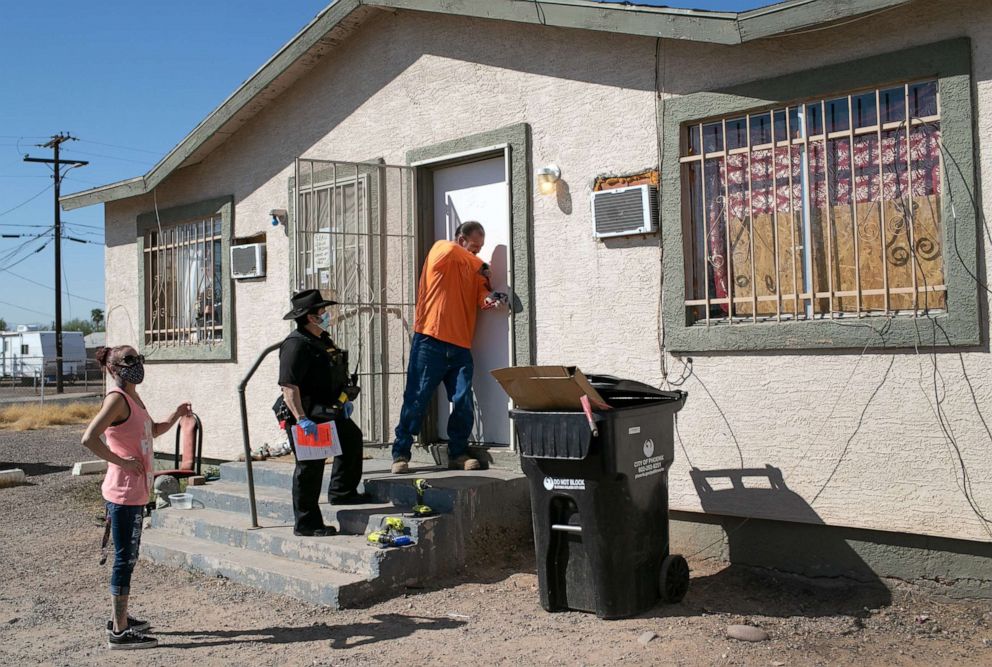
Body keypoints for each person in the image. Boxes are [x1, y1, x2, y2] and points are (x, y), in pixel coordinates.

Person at [80, 345, 191, 650]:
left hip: (136, 491)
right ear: (113, 368)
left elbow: (151, 430)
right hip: (124, 493)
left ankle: (123, 619)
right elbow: (89, 438)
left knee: (128, 558)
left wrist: (176, 416)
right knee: (124, 560)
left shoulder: (132, 397)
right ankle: (119, 632)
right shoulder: (116, 399)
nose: (136, 364)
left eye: (138, 358)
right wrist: (122, 462)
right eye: (128, 361)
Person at [391, 220, 506, 474]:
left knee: (463, 401)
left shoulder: (473, 267)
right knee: (417, 398)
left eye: (480, 248)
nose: (477, 252)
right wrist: (483, 265)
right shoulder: (442, 250)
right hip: (429, 340)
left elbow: (480, 297)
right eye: (474, 246)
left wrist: (490, 299)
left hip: (460, 346)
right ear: (460, 239)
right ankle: (400, 453)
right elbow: (458, 255)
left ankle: (458, 453)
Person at [278, 289, 366, 537]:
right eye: (322, 312)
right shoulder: (295, 345)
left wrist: (345, 398)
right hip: (308, 415)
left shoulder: (322, 339)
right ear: (310, 317)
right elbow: (289, 387)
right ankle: (306, 523)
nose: (327, 315)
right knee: (310, 468)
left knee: (351, 440)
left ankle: (342, 492)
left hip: (331, 409)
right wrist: (301, 419)